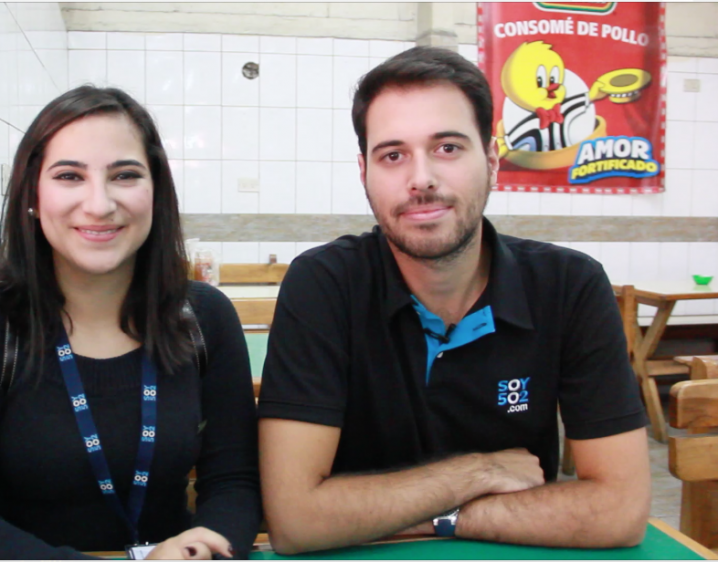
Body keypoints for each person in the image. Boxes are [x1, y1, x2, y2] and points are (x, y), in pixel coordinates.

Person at [257, 46, 650, 555]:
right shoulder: (324, 284)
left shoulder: (570, 286)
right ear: (364, 173)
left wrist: (433, 518)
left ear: (491, 161)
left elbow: (619, 511)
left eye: (447, 148)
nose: (420, 178)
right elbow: (296, 522)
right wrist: (477, 473)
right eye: (392, 155)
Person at [0, 85, 261, 559]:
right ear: (32, 195)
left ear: (155, 192)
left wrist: (205, 549)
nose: (99, 204)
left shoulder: (204, 318)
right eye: (69, 176)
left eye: (124, 175)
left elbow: (235, 482)